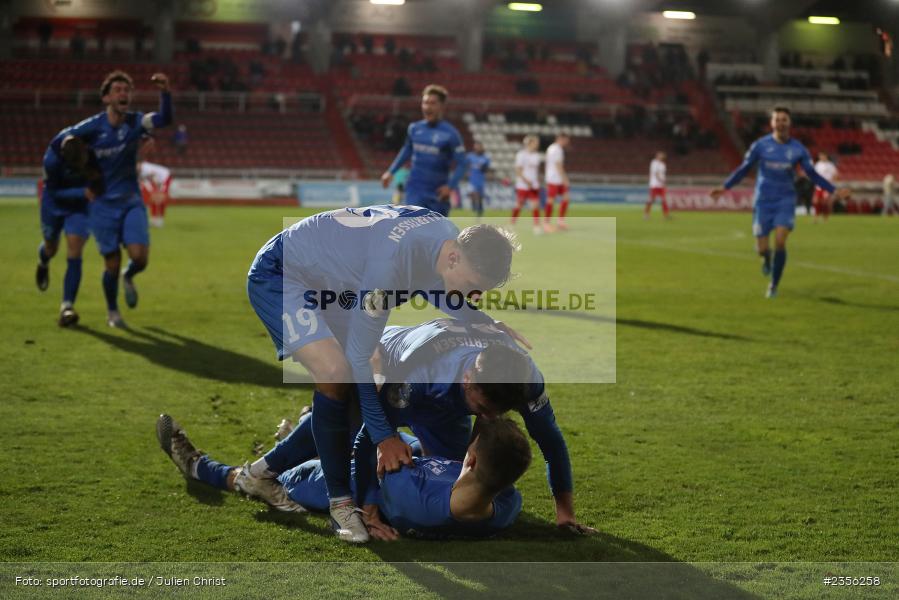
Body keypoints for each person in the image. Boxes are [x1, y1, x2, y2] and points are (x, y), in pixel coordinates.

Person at [245, 205, 528, 543]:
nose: (474, 297)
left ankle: (267, 469)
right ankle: (341, 505)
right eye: (472, 287)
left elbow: (430, 285)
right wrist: (384, 437)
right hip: (284, 272)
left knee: (358, 376)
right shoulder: (389, 270)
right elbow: (360, 357)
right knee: (338, 372)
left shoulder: (445, 242)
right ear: (454, 259)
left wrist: (482, 320)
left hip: (337, 284)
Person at [156, 413, 529, 541]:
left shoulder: (418, 503)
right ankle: (302, 435)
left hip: (333, 482)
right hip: (385, 461)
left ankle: (198, 466)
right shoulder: (507, 503)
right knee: (339, 427)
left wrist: (402, 444)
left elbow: (376, 452)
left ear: (473, 460)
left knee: (268, 480)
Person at [53, 70, 172, 327]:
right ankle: (112, 311)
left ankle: (130, 276)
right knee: (111, 264)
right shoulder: (91, 127)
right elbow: (62, 141)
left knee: (139, 257)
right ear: (106, 97)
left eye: (126, 90)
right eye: (117, 90)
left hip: (130, 200)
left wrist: (165, 92)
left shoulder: (136, 121)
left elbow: (163, 119)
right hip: (102, 205)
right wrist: (73, 153)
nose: (123, 93)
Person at [710, 107, 849, 298]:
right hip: (763, 200)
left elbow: (812, 174)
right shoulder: (760, 146)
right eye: (777, 120)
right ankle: (766, 258)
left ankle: (774, 285)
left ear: (789, 123)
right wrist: (725, 187)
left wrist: (834, 190)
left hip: (785, 199)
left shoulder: (798, 149)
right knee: (762, 248)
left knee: (780, 241)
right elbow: (744, 169)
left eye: (784, 120)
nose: (781, 123)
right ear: (771, 123)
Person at [36, 136, 103, 327]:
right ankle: (43, 260)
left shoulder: (91, 152)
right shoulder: (51, 159)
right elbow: (53, 192)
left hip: (79, 208)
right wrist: (81, 192)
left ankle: (67, 306)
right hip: (54, 206)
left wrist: (95, 189)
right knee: (51, 248)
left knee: (74, 249)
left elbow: (98, 178)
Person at [381, 85, 466, 216]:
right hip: (415, 189)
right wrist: (390, 172)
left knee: (438, 234)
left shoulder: (451, 134)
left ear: (442, 106)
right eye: (425, 103)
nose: (428, 107)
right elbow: (406, 150)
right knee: (412, 230)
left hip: (438, 193)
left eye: (433, 103)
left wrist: (450, 186)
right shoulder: (414, 128)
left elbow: (463, 163)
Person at [510, 135, 543, 235]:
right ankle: (512, 224)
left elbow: (535, 171)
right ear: (529, 143)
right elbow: (518, 170)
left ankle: (536, 226)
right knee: (519, 204)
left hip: (533, 185)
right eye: (535, 143)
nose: (537, 145)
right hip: (523, 185)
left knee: (535, 205)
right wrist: (526, 181)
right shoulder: (521, 155)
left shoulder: (537, 155)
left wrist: (536, 181)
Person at [138, 146, 172, 228]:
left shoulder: (145, 168)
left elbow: (154, 177)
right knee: (153, 198)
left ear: (140, 163)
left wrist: (157, 189)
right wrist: (151, 191)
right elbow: (145, 182)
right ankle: (154, 219)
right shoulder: (138, 171)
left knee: (161, 198)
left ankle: (160, 220)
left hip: (165, 177)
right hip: (157, 181)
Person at [544, 134, 571, 230]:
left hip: (553, 177)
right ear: (561, 139)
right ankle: (546, 223)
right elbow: (558, 165)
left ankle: (560, 222)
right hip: (555, 178)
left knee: (566, 197)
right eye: (566, 140)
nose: (567, 142)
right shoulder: (557, 149)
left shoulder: (551, 148)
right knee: (551, 200)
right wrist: (565, 179)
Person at [465, 142, 491, 220]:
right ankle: (474, 207)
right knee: (472, 194)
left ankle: (479, 213)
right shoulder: (470, 156)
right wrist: (467, 172)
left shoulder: (485, 158)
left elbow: (486, 170)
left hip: (480, 180)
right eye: (476, 147)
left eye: (479, 147)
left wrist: (483, 167)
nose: (477, 149)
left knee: (479, 198)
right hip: (472, 180)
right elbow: (465, 165)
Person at [812, 152, 838, 223]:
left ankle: (825, 218)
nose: (821, 157)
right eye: (820, 156)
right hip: (819, 186)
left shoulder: (830, 165)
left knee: (825, 203)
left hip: (827, 186)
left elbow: (835, 174)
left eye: (823, 156)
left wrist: (831, 183)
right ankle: (816, 218)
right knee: (816, 201)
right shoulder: (817, 165)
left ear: (826, 156)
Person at [645, 151, 670, 219]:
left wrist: (663, 182)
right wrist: (662, 181)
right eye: (659, 155)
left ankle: (666, 215)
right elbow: (656, 173)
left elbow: (662, 174)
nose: (660, 156)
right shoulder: (654, 162)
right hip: (655, 184)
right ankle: (646, 214)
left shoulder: (662, 164)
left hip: (661, 185)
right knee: (651, 199)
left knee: (664, 199)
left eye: (661, 155)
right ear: (657, 156)